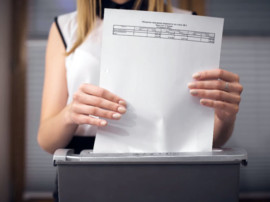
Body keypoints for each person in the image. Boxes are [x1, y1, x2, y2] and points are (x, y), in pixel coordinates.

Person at [38, 0, 243, 160]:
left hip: (167, 164)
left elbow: (207, 140)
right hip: (82, 168)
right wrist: (70, 114)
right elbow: (47, 141)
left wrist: (225, 117)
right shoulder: (64, 28)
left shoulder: (189, 23)